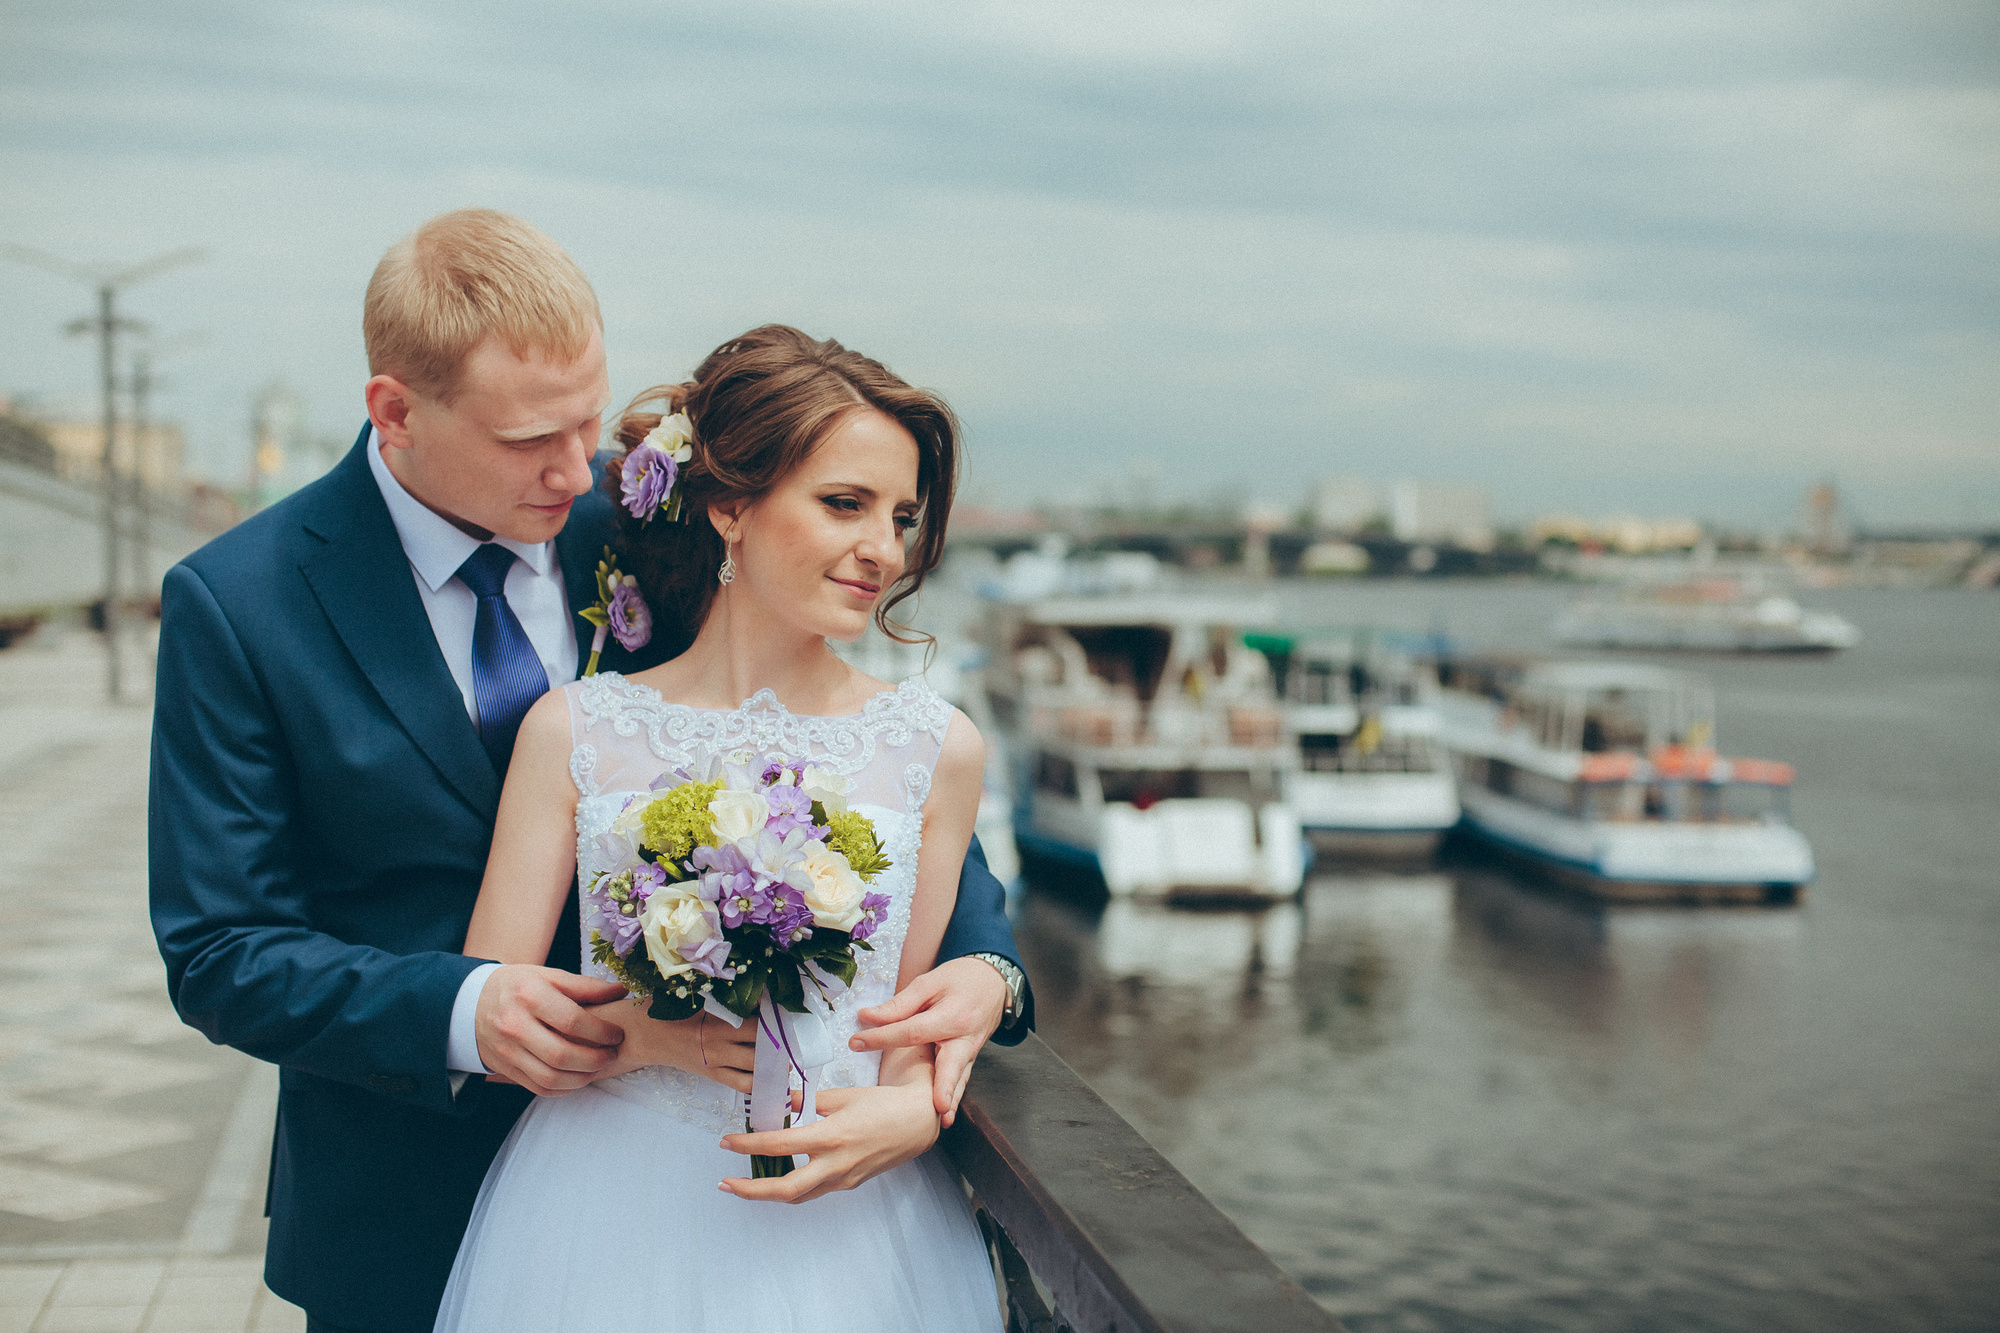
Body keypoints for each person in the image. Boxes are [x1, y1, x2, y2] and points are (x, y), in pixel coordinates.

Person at [148, 210, 1032, 1333]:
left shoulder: (659, 514)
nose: (579, 471)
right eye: (530, 441)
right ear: (396, 412)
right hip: (408, 1191)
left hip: (757, 1193)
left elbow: (866, 790)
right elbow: (220, 949)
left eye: (586, 423)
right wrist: (471, 1009)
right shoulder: (241, 603)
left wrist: (991, 975)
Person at [433, 323, 1005, 1331]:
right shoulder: (576, 727)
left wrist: (916, 1111)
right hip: (604, 1213)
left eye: (901, 516)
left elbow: (903, 1024)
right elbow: (496, 1012)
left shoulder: (936, 748)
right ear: (729, 506)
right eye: (843, 503)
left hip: (855, 1222)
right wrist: (644, 1035)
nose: (882, 548)